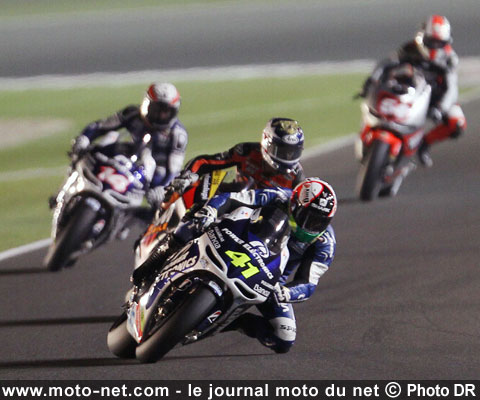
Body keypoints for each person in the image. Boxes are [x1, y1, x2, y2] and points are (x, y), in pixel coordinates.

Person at [132, 177, 337, 353]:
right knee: (192, 220)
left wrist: (287, 293)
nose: (311, 226)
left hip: (268, 281)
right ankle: (150, 267)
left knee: (284, 337)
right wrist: (211, 210)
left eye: (319, 222)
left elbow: (308, 283)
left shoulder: (325, 243)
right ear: (295, 205)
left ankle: (231, 321)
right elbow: (232, 198)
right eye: (307, 217)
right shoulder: (279, 196)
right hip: (235, 241)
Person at [360, 15, 467, 167]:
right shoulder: (410, 48)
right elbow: (387, 63)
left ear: (446, 42)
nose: (434, 46)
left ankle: (424, 144)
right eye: (431, 41)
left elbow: (452, 88)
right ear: (423, 37)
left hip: (434, 98)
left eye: (439, 43)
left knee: (457, 123)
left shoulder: (449, 59)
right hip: (407, 90)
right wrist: (372, 80)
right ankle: (369, 131)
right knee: (373, 103)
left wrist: (440, 108)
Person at [70, 82, 188, 207]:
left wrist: (163, 188)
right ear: (147, 104)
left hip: (150, 172)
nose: (160, 115)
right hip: (124, 157)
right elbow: (101, 126)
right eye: (156, 110)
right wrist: (85, 138)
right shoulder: (132, 113)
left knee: (171, 204)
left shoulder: (178, 134)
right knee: (86, 155)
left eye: (166, 112)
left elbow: (174, 169)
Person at [169, 117, 306, 195]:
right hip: (226, 206)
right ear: (267, 143)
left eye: (292, 152)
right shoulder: (247, 151)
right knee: (187, 187)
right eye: (282, 151)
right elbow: (207, 162)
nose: (288, 157)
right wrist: (188, 175)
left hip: (259, 226)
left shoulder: (296, 178)